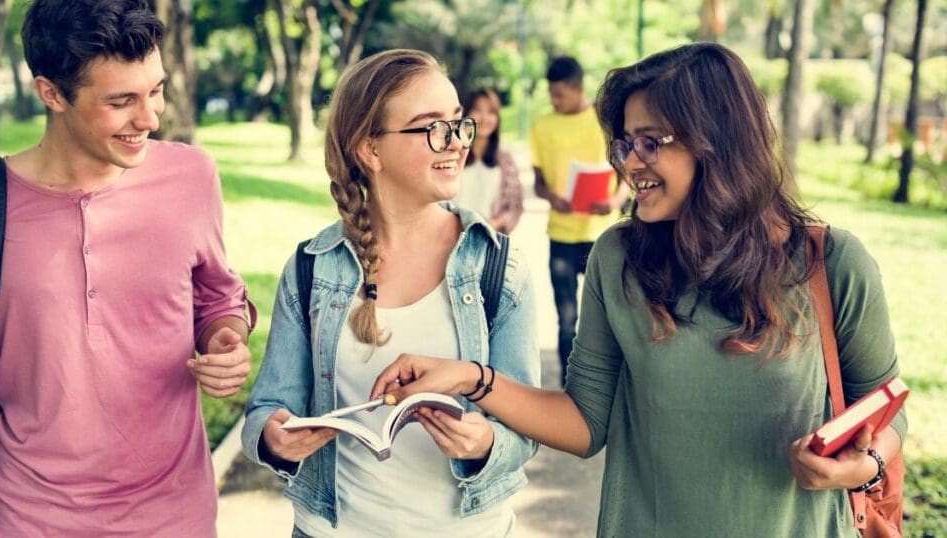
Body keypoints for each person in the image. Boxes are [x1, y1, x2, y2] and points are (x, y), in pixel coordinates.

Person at [371, 43, 905, 537]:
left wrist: (865, 464)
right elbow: (584, 423)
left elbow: (886, 407)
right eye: (626, 143)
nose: (628, 163)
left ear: (718, 142)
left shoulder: (830, 264)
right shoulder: (618, 260)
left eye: (652, 142)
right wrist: (470, 378)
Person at [0, 0, 255, 534]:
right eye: (121, 101)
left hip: (176, 514)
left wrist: (224, 338)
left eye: (156, 90)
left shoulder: (192, 177)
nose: (149, 118)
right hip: (33, 517)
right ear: (51, 94)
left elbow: (217, 295)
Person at [240, 49, 540, 537]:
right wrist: (275, 438)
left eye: (458, 124)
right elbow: (265, 410)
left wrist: (484, 442)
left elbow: (527, 429)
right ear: (370, 150)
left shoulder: (499, 268)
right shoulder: (311, 268)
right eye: (431, 128)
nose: (457, 142)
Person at [530, 56, 630, 387]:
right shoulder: (541, 126)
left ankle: (612, 383)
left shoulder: (603, 121)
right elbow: (539, 181)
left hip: (603, 235)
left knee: (609, 315)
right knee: (566, 319)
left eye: (560, 94)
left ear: (578, 89)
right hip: (561, 234)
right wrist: (551, 197)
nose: (555, 100)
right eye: (552, 94)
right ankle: (569, 388)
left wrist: (615, 201)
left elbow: (626, 172)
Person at [451, 88, 523, 234]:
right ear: (466, 114)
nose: (484, 118)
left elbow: (515, 206)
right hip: (450, 234)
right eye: (478, 110)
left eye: (491, 112)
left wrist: (492, 224)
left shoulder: (505, 161)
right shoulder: (451, 153)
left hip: (487, 237)